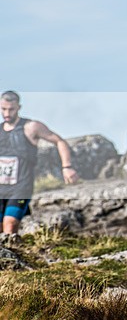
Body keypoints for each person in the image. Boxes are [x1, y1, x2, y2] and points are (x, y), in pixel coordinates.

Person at [0, 90, 79, 238]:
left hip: (20, 187)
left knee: (9, 224)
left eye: (11, 109)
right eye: (3, 109)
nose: (7, 113)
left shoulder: (31, 127)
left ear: (18, 107)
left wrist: (67, 167)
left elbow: (59, 141)